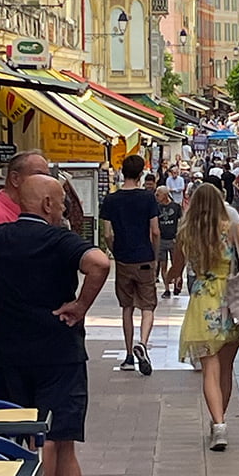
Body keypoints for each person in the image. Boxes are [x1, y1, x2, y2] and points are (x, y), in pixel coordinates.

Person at [0, 174, 113, 476]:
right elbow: (99, 263)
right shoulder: (59, 239)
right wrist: (80, 306)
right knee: (47, 436)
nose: (64, 208)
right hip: (57, 353)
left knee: (57, 440)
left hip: (11, 352)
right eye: (62, 202)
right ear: (47, 205)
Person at [167, 182, 239, 450]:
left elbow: (175, 268)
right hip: (230, 300)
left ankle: (218, 423)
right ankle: (218, 421)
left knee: (209, 367)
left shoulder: (186, 233)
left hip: (202, 300)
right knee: (226, 367)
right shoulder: (234, 229)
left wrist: (169, 277)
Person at [99, 153, 160, 375]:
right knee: (148, 306)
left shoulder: (111, 199)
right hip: (144, 257)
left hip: (123, 259)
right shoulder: (148, 198)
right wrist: (154, 255)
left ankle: (127, 355)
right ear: (141, 174)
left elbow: (107, 233)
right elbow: (155, 231)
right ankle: (142, 343)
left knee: (127, 307)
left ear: (122, 172)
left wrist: (116, 251)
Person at [0, 150, 50, 227]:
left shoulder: (27, 210)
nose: (46, 181)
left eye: (47, 176)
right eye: (38, 175)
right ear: (15, 178)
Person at [155, 185, 182, 298]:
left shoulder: (175, 207)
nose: (156, 196)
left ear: (165, 195)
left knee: (176, 264)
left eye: (158, 194)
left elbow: (180, 222)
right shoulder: (156, 208)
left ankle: (176, 282)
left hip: (173, 239)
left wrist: (179, 236)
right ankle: (167, 289)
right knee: (163, 265)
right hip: (161, 240)